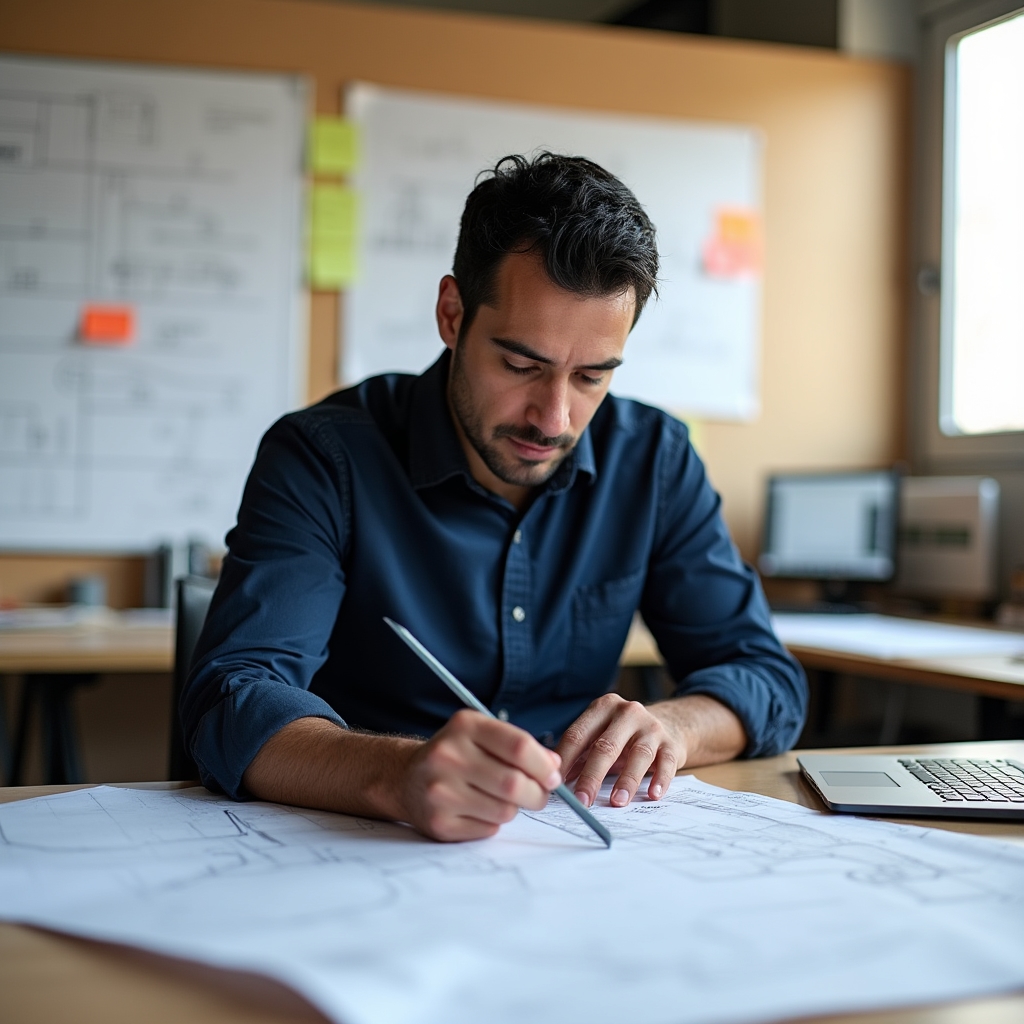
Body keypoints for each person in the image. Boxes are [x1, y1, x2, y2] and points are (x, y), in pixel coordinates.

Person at [182, 152, 806, 842]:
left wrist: (675, 727)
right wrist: (396, 774)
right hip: (368, 848)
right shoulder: (324, 459)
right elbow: (232, 700)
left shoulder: (654, 462)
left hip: (583, 859)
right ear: (452, 315)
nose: (555, 419)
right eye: (520, 365)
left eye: (592, 377)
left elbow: (765, 679)